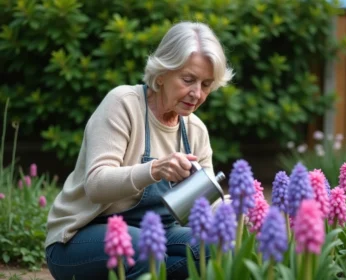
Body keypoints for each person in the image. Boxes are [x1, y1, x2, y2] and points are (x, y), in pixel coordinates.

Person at [44, 21, 234, 280]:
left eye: (206, 84)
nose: (197, 93)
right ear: (162, 73)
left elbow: (201, 209)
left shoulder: (196, 130)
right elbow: (97, 185)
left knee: (216, 247)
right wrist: (155, 169)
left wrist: (234, 208)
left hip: (159, 231)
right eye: (188, 80)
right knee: (146, 248)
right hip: (79, 237)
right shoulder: (123, 104)